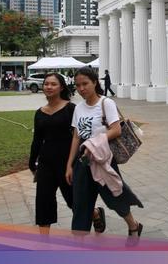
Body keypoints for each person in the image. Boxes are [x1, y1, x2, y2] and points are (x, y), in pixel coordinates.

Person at [67, 67, 143, 238]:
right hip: (82, 162)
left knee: (114, 197)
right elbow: (76, 137)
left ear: (95, 82)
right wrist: (69, 165)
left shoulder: (106, 103)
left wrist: (94, 143)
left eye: (85, 84)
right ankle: (79, 241)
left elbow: (116, 130)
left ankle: (133, 225)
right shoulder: (78, 108)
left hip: (103, 161)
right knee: (80, 204)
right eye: (77, 85)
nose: (81, 89)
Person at [29, 73, 99, 235]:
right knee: (43, 201)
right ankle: (44, 243)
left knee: (73, 200)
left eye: (53, 84)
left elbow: (80, 135)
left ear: (61, 87)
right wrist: (32, 163)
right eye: (46, 84)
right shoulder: (39, 113)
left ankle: (94, 213)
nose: (49, 87)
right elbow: (37, 140)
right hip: (46, 163)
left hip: (68, 162)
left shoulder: (71, 109)